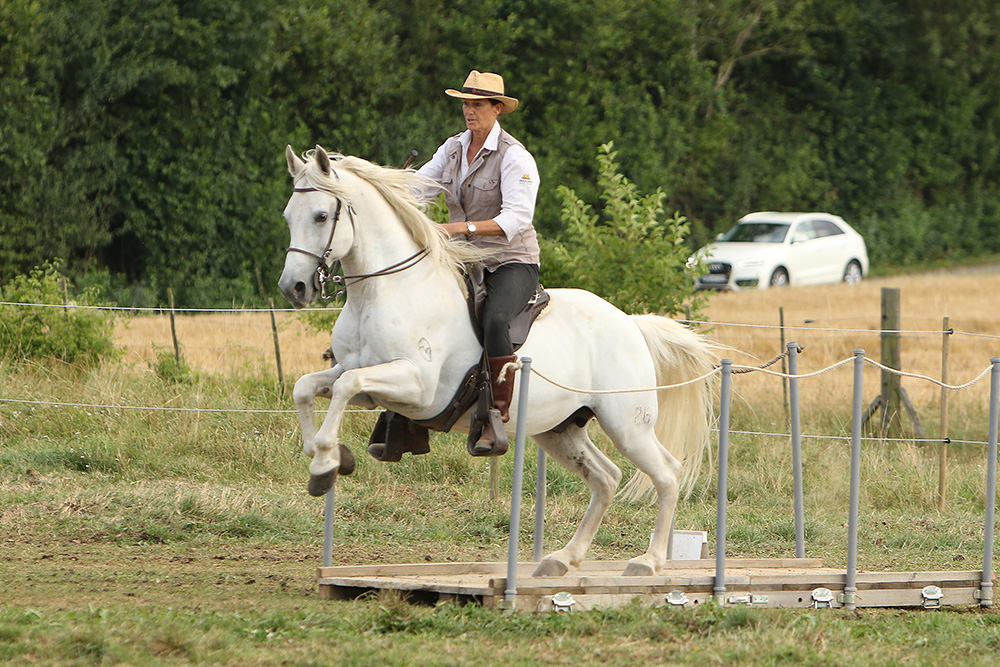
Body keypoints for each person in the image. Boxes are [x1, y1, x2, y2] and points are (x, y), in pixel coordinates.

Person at [416, 69, 541, 456]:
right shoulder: (452, 148)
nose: (470, 111)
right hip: (462, 259)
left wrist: (457, 228)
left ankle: (496, 416)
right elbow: (418, 187)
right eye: (466, 104)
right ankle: (404, 416)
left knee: (496, 319)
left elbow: (516, 220)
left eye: (478, 105)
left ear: (497, 108)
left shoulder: (515, 156)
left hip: (511, 261)